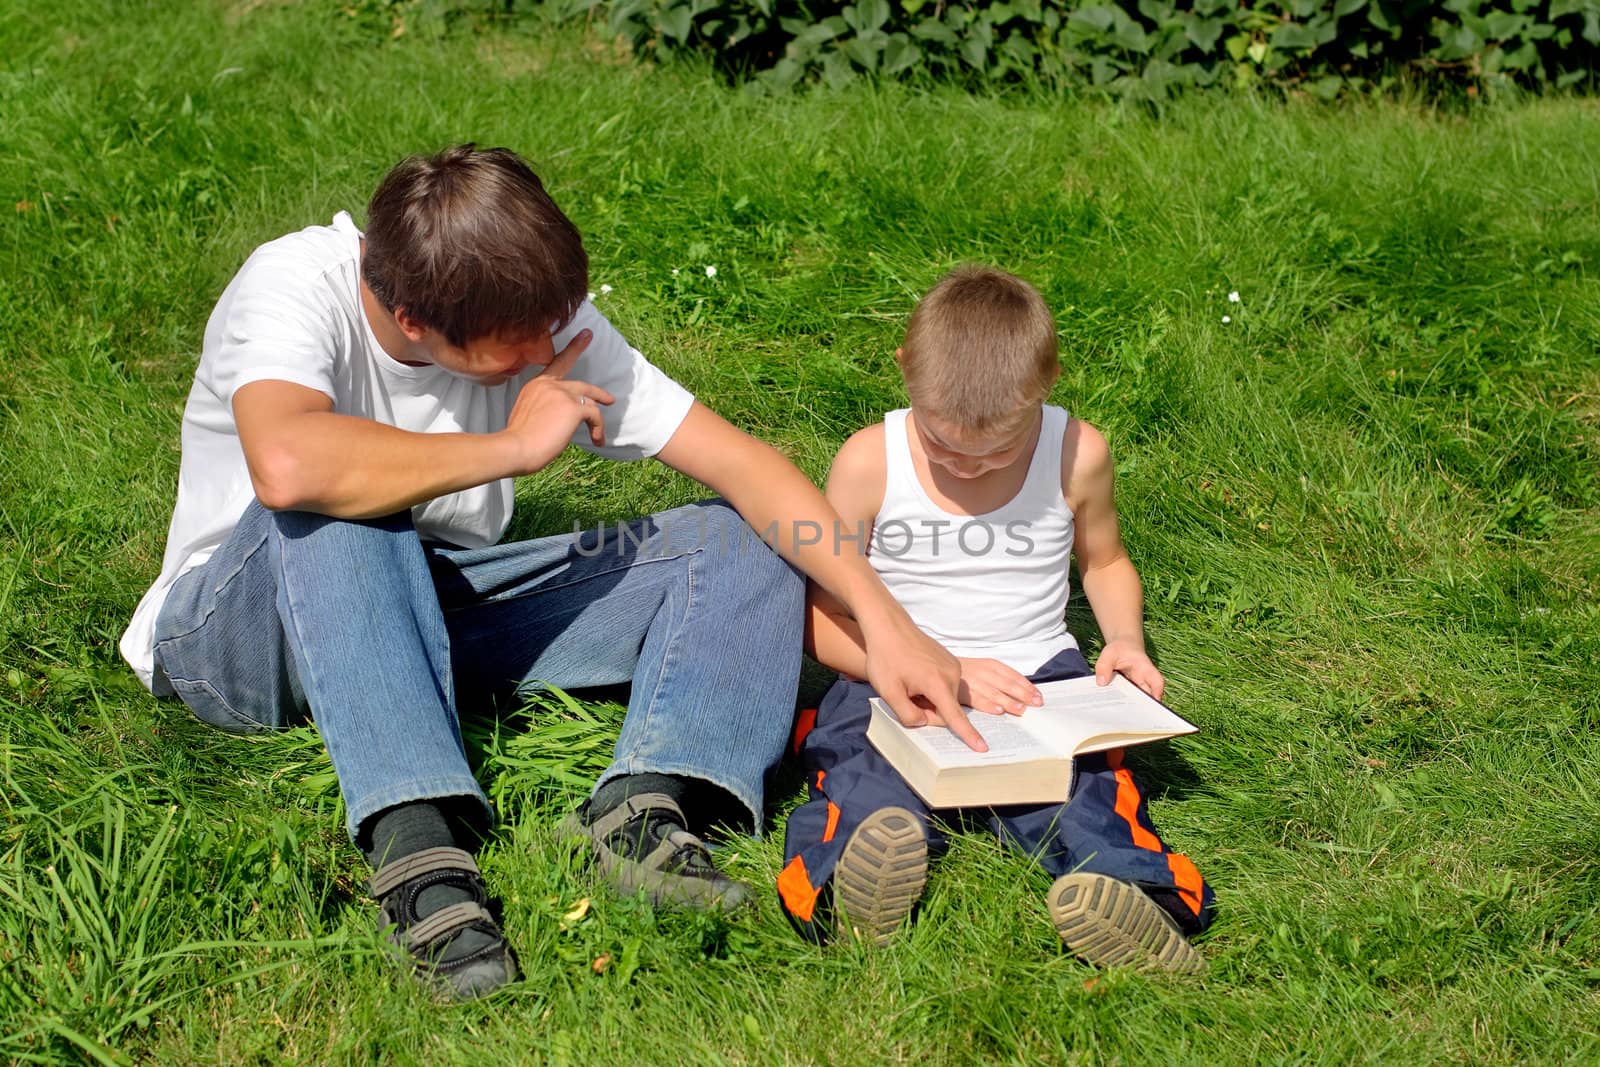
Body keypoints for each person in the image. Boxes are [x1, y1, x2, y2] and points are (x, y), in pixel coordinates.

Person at [119, 144, 974, 1000]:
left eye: (552, 321)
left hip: (421, 604)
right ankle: (422, 855)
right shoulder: (294, 284)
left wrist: (885, 620)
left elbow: (743, 465)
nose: (544, 349)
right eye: (514, 344)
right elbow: (286, 466)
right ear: (414, 318)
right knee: (345, 496)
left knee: (736, 537)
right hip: (236, 632)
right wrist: (509, 448)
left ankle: (646, 803)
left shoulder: (530, 314)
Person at [779, 265, 1214, 970]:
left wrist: (1126, 641)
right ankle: (845, 890)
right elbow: (822, 616)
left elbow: (1102, 562)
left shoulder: (1078, 454)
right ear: (904, 372)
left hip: (1037, 678)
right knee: (860, 772)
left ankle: (1139, 898)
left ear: (1048, 383)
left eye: (1001, 450)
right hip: (893, 671)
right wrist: (932, 668)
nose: (972, 466)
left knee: (1085, 792)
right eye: (945, 446)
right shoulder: (870, 461)